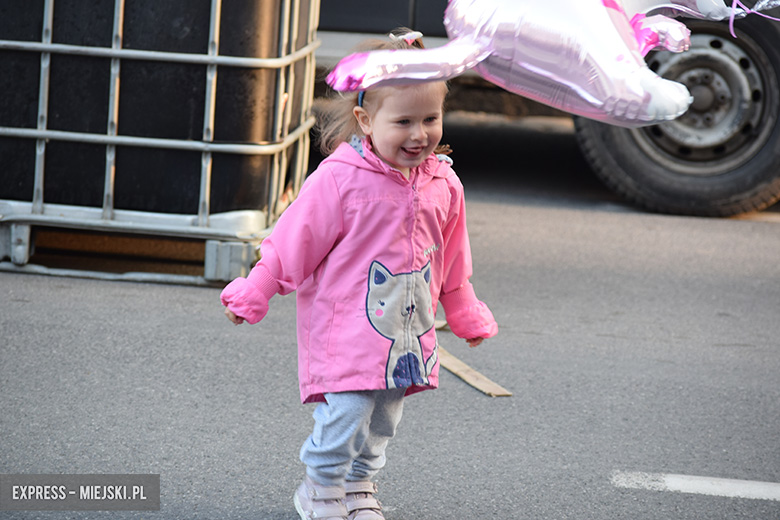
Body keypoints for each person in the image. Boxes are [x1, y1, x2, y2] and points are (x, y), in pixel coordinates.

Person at [220, 28, 498, 520]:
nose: (419, 134)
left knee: (384, 417)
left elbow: (452, 258)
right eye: (404, 121)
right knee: (346, 412)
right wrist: (258, 288)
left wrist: (464, 309)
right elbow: (293, 242)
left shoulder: (443, 182)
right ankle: (321, 488)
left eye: (430, 119)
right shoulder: (339, 179)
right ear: (366, 121)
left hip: (406, 336)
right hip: (345, 328)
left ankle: (359, 485)